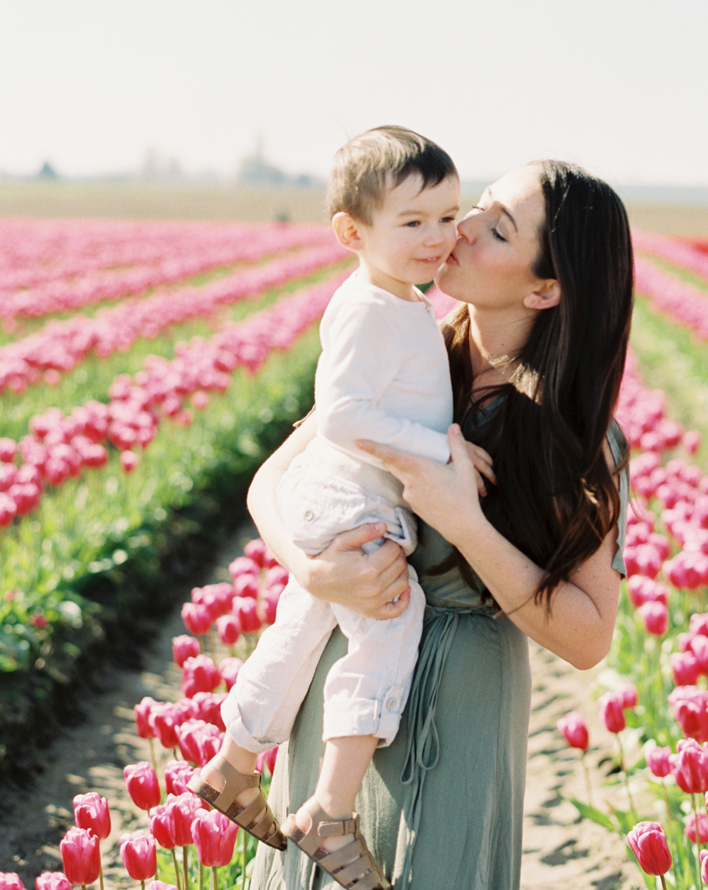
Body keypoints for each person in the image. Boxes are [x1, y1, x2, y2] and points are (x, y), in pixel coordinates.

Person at [249, 159, 634, 890]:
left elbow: (589, 638)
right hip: (347, 684)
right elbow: (273, 478)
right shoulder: (404, 344)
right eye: (478, 207)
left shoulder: (580, 439)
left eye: (496, 228)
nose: (459, 229)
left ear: (543, 287)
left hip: (460, 700)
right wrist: (311, 571)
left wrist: (465, 522)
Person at [190, 127, 492, 888]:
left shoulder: (401, 302)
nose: (440, 237)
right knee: (391, 620)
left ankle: (232, 760)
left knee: (301, 626)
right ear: (352, 233)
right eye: (414, 221)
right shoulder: (368, 309)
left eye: (449, 215)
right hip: (355, 493)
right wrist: (440, 453)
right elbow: (344, 414)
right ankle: (330, 805)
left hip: (342, 489)